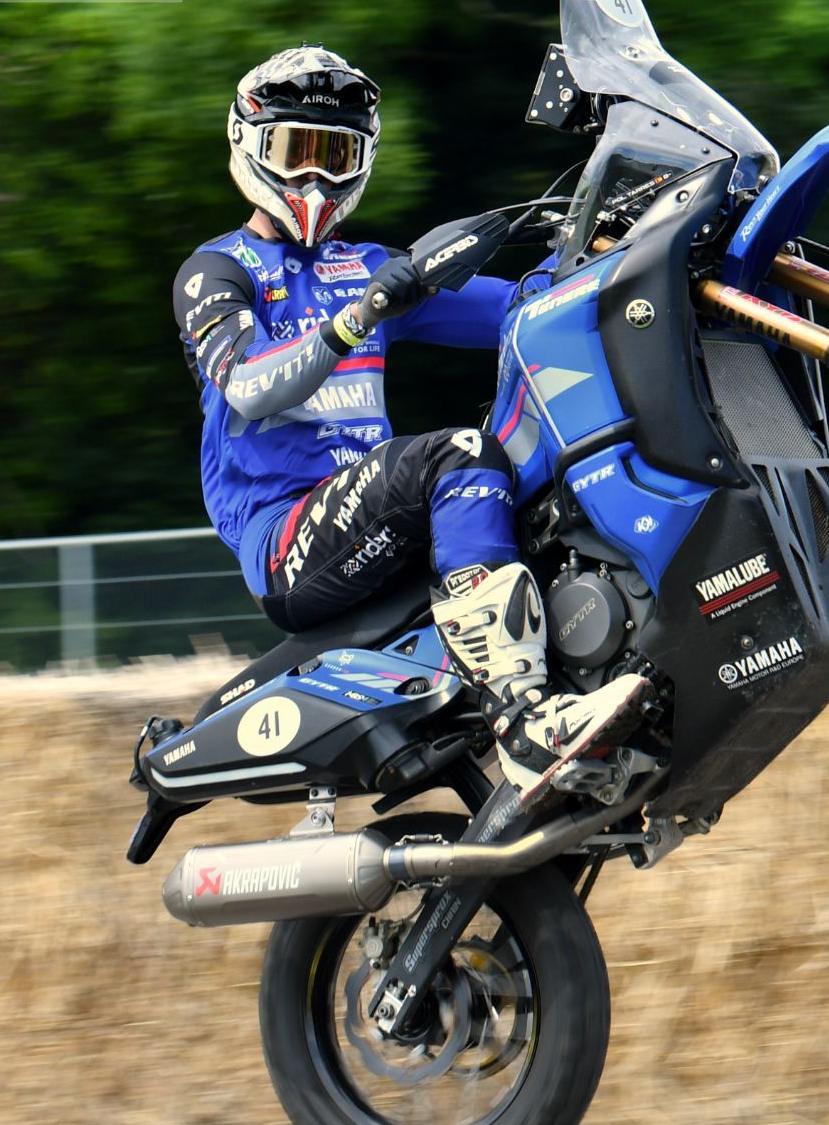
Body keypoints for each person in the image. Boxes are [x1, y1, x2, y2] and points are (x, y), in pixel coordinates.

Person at [171, 45, 643, 798]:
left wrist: (623, 253)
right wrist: (363, 317)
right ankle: (525, 720)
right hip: (286, 539)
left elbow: (524, 310)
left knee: (534, 486)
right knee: (459, 453)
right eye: (296, 152)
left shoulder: (364, 265)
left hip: (377, 524)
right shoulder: (217, 269)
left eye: (336, 154)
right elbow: (250, 387)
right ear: (251, 148)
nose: (316, 176)